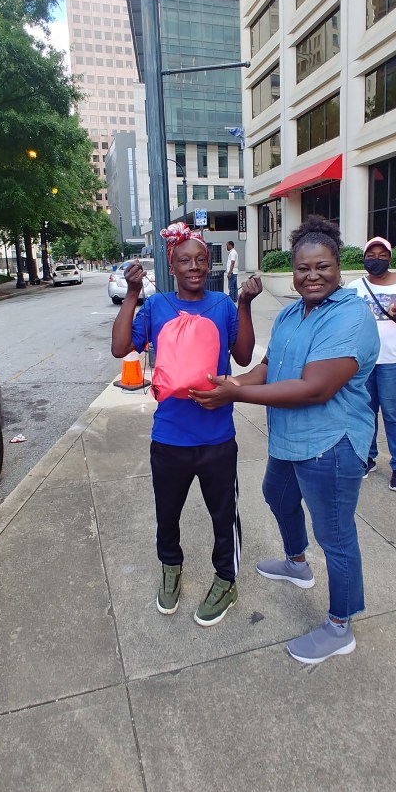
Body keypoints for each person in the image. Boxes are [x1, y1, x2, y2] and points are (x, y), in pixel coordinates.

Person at [190, 216, 379, 665]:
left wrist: (236, 395)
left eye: (322, 266)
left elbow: (315, 388)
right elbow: (268, 368)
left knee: (335, 535)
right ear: (292, 271)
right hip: (290, 439)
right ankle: (296, 564)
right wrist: (233, 382)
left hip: (331, 444)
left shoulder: (351, 317)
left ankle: (340, 626)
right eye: (303, 268)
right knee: (276, 494)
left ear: (339, 266)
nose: (312, 276)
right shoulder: (293, 313)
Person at [111, 222, 262, 627]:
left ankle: (226, 580)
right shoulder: (157, 306)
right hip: (170, 436)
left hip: (217, 437)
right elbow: (120, 347)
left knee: (223, 516)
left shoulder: (223, 305)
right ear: (172, 267)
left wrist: (244, 305)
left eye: (200, 260)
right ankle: (171, 568)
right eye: (184, 261)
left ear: (209, 264)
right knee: (167, 514)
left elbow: (243, 356)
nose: (194, 267)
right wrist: (132, 294)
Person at [348, 237, 396, 493]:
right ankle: (368, 458)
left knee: (393, 415)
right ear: (364, 258)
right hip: (364, 363)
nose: (376, 259)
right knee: (366, 414)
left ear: (390, 258)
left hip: (394, 361)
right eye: (371, 255)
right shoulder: (355, 287)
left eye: (382, 255)